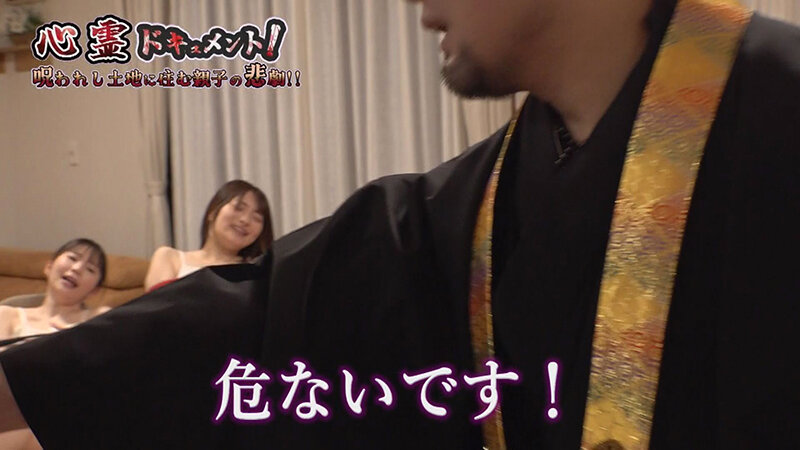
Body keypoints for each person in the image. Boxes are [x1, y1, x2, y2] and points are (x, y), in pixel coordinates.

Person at [1, 0, 798, 448]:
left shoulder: (779, 109)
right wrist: (27, 382)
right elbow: (276, 308)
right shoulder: (493, 191)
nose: (422, 11)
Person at [0, 238, 108, 450]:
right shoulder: (7, 314)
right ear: (48, 267)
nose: (77, 268)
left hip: (57, 419)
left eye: (90, 269)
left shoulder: (97, 320)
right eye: (72, 258)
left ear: (95, 290)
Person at [144, 179, 274, 292]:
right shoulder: (170, 257)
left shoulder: (258, 273)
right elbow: (158, 307)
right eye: (238, 208)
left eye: (257, 218)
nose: (245, 220)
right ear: (213, 212)